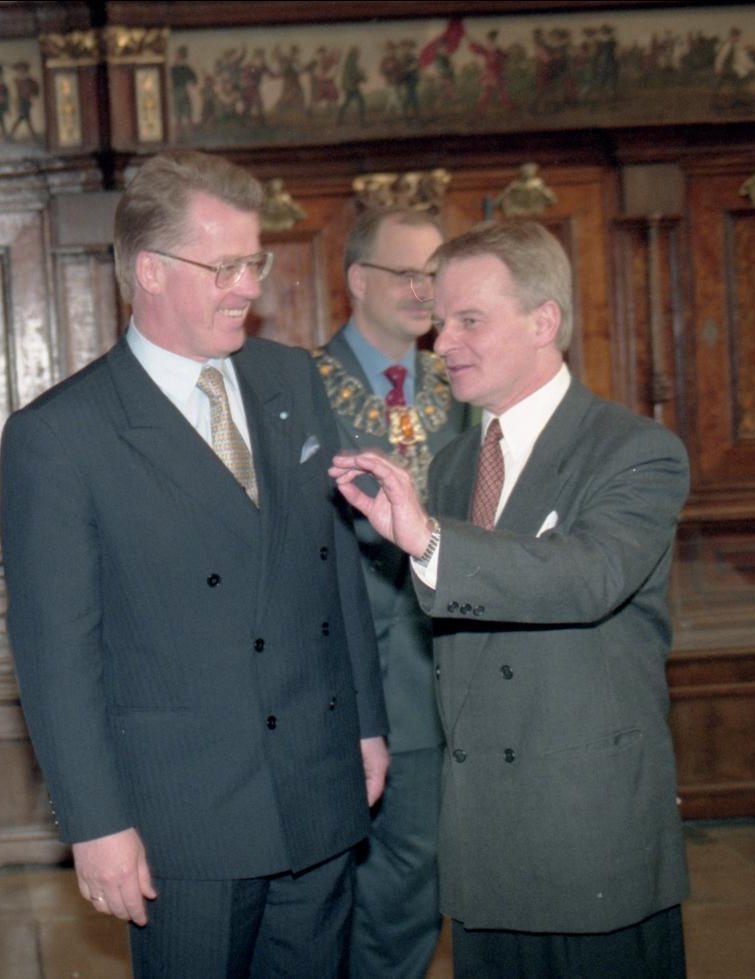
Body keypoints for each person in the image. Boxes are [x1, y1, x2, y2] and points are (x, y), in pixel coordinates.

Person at [0, 150, 389, 977]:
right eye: (224, 267)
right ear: (149, 270)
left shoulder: (291, 379)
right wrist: (94, 822)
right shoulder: (62, 434)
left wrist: (364, 722)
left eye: (254, 263)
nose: (246, 287)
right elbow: (56, 655)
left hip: (316, 784)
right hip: (182, 816)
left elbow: (334, 570)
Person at [330, 220, 691, 977]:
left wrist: (429, 541)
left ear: (543, 321)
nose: (442, 343)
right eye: (441, 322)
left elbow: (587, 576)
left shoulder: (633, 449)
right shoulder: (456, 461)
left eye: (469, 320)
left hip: (587, 830)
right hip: (482, 837)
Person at [317, 207, 463, 979]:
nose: (423, 291)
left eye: (435, 274)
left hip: (439, 683)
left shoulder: (460, 380)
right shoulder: (299, 385)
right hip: (338, 682)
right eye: (406, 273)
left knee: (412, 889)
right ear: (356, 279)